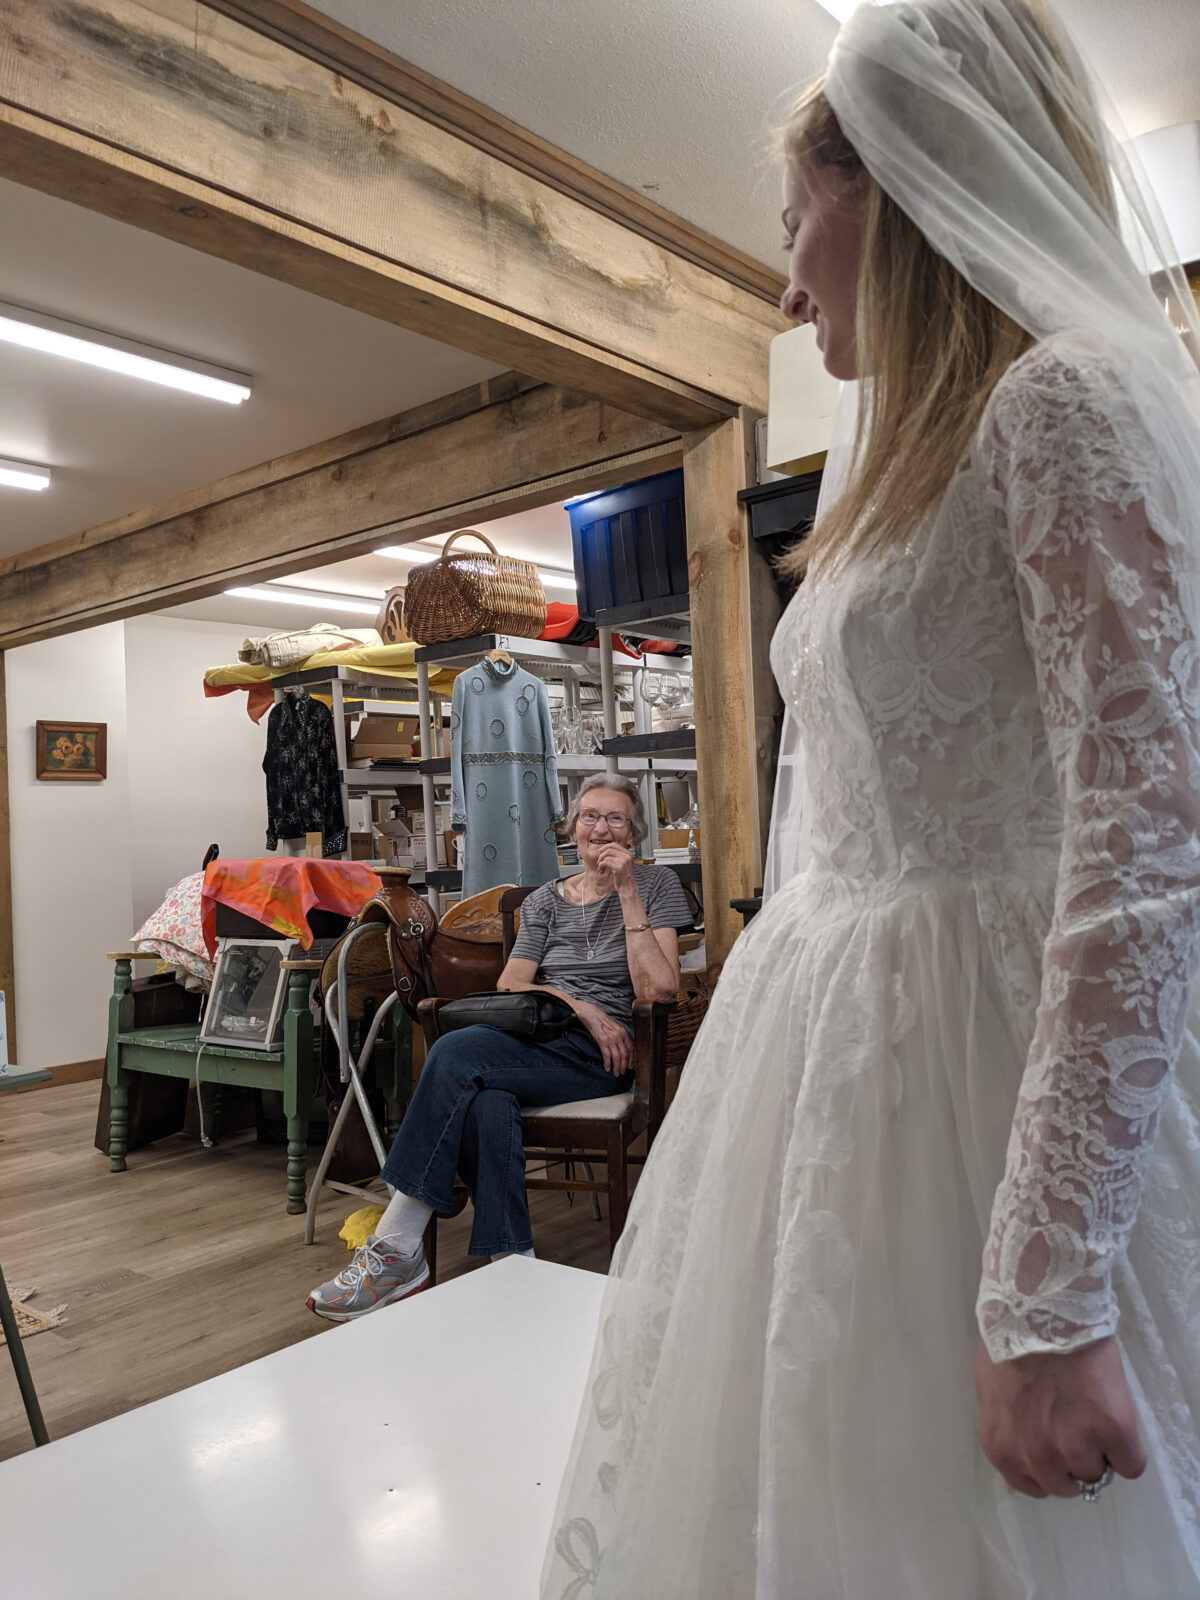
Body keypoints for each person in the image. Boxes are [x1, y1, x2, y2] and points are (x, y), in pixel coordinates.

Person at [542, 2, 1200, 1596]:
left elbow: (1149, 838)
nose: (783, 281)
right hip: (841, 1073)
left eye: (794, 226)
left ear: (895, 188)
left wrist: (1050, 1283)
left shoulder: (1063, 401)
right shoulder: (910, 456)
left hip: (992, 1082)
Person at [307, 773, 690, 1320]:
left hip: (605, 1058)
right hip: (541, 1040)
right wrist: (576, 1004)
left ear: (634, 834)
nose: (600, 828)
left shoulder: (656, 888)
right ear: (571, 828)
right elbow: (512, 985)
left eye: (615, 819)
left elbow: (661, 988)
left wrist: (627, 892)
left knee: (455, 1054)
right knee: (487, 1100)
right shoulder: (543, 904)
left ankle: (395, 1247)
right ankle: (512, 1261)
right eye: (589, 816)